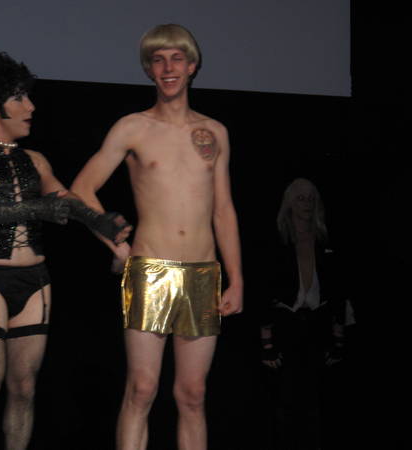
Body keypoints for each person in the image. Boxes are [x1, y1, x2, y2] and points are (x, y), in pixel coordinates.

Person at [0, 52, 130, 450]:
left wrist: (109, 232)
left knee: (25, 387)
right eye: (20, 98)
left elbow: (69, 202)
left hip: (35, 280)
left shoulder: (36, 159)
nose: (31, 107)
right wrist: (38, 209)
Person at [71, 24, 243, 450]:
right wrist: (116, 243)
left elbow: (223, 209)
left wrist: (237, 278)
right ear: (149, 69)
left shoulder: (215, 132)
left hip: (202, 272)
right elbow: (81, 189)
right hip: (150, 270)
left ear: (192, 66)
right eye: (159, 60)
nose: (168, 68)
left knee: (193, 395)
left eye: (176, 59)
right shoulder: (133, 127)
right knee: (142, 388)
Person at [259, 178, 354, 450]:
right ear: (289, 203)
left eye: (311, 198)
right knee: (284, 403)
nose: (307, 203)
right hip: (286, 328)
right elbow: (264, 292)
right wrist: (267, 344)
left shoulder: (325, 240)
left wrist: (338, 341)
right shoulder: (277, 241)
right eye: (301, 198)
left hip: (317, 329)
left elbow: (337, 292)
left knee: (318, 405)